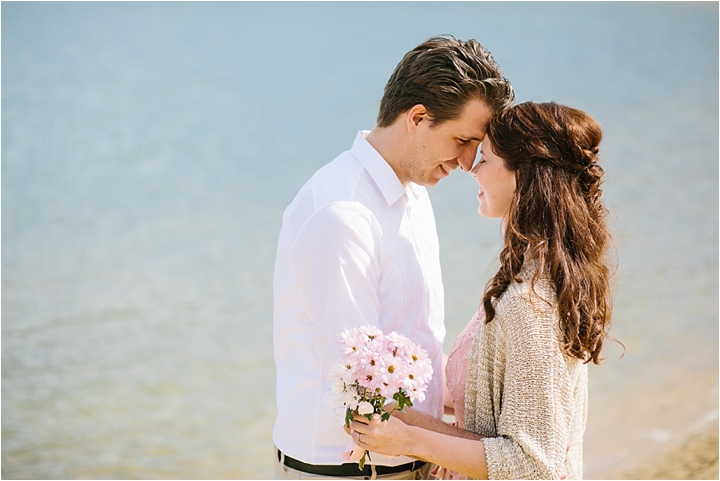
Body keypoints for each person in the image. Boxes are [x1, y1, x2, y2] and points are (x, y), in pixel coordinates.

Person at [272, 35, 514, 480]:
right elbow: (360, 392)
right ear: (418, 117)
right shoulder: (341, 217)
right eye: (462, 140)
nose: (465, 163)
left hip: (410, 460)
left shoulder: (414, 195)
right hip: (344, 471)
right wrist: (502, 456)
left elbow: (415, 352)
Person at [349, 101, 616, 480]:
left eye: (485, 160)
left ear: (522, 177)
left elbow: (534, 466)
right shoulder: (530, 278)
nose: (470, 168)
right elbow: (490, 428)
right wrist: (393, 391)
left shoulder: (530, 305)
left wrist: (410, 441)